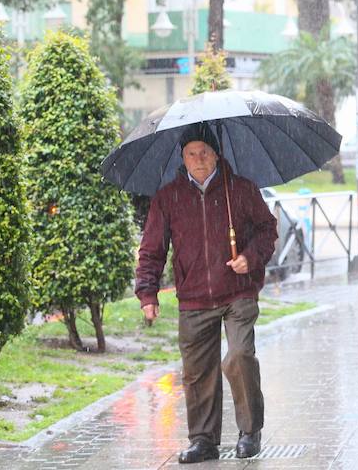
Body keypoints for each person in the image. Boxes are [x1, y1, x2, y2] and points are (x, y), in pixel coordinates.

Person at [135, 122, 278, 464]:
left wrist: (250, 257)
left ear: (216, 154)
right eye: (191, 154)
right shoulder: (168, 198)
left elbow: (267, 229)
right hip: (194, 296)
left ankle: (249, 430)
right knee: (198, 371)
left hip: (238, 292)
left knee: (240, 355)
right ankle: (203, 439)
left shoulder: (241, 190)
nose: (198, 159)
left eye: (204, 152)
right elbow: (152, 249)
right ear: (182, 159)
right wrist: (148, 294)